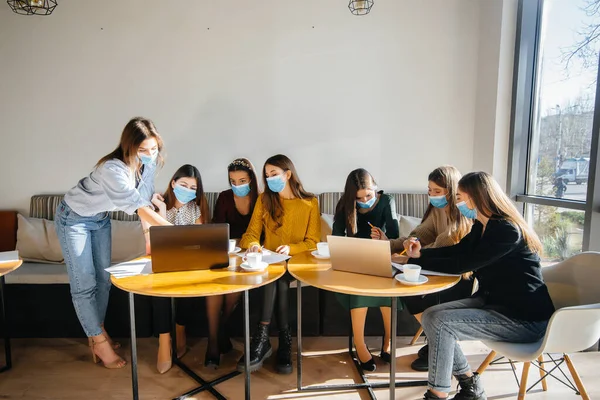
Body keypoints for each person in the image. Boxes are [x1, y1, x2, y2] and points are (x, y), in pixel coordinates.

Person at [403, 172, 555, 400]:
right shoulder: (482, 226)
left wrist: (416, 259)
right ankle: (469, 385)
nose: (458, 202)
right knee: (430, 316)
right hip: (494, 303)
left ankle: (437, 394)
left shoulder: (507, 231)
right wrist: (419, 255)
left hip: (524, 319)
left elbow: (463, 264)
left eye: (461, 196)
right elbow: (456, 251)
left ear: (477, 197)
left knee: (442, 323)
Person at [55, 117, 171, 369]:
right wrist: (173, 231)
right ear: (129, 146)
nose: (150, 155)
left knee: (103, 281)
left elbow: (145, 201)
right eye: (143, 150)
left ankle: (98, 331)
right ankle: (98, 341)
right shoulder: (112, 169)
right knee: (84, 284)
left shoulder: (147, 164)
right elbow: (138, 207)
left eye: (154, 149)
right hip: (73, 219)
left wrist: (151, 241)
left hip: (100, 218)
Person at [372, 166, 472, 372]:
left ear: (452, 191)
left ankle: (439, 342)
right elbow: (420, 234)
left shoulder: (463, 215)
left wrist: (409, 257)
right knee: (408, 289)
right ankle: (436, 339)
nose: (432, 196)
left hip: (458, 276)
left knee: (415, 291)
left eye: (437, 191)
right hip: (435, 267)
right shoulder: (436, 211)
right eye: (430, 191)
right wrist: (398, 244)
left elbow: (442, 245)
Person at [237, 154, 321, 374]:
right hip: (271, 261)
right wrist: (255, 245)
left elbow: (313, 242)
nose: (270, 178)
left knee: (279, 277)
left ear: (288, 174)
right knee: (276, 279)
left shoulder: (310, 202)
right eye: (267, 175)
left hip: (297, 262)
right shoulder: (264, 199)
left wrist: (291, 249)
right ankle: (282, 340)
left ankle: (263, 339)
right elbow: (250, 235)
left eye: (274, 174)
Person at [332, 168, 399, 372]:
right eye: (359, 198)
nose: (364, 201)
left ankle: (387, 341)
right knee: (359, 292)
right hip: (354, 262)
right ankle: (359, 345)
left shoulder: (387, 201)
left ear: (375, 188)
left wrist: (384, 239)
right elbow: (336, 236)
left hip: (382, 257)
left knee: (388, 293)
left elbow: (396, 236)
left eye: (368, 195)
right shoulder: (345, 203)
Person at [150, 164, 210, 373]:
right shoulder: (158, 204)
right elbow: (153, 242)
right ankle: (164, 342)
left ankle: (180, 329)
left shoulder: (195, 208)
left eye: (193, 188)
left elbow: (200, 241)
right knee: (160, 286)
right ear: (173, 183)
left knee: (189, 281)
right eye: (183, 184)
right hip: (161, 261)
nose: (188, 190)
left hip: (187, 263)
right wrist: (163, 212)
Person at [206, 157, 261, 368]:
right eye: (233, 181)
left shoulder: (262, 199)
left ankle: (218, 332)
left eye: (242, 180)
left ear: (252, 180)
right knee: (215, 287)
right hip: (225, 252)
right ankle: (213, 343)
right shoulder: (224, 198)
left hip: (250, 254)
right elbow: (216, 230)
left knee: (233, 289)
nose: (237, 185)